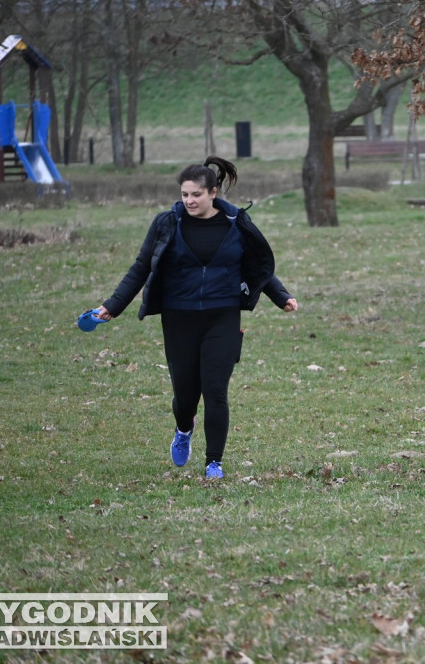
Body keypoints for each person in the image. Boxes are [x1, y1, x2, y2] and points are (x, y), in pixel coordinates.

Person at [90, 156, 297, 479]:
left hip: (222, 315)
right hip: (179, 317)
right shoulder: (166, 224)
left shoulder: (235, 223)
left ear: (213, 192)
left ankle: (214, 461)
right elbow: (141, 267)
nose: (189, 201)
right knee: (185, 395)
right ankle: (184, 429)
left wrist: (281, 296)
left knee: (215, 390)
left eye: (196, 195)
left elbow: (257, 267)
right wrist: (113, 306)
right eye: (185, 195)